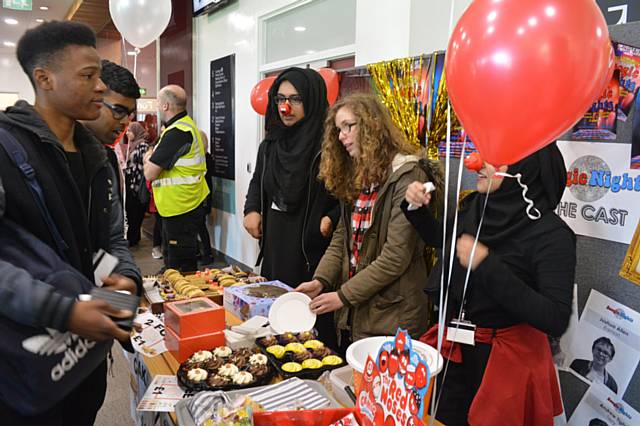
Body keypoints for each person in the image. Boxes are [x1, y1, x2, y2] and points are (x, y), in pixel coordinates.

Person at [0, 21, 140, 424]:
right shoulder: (6, 149)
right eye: (88, 75)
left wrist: (126, 278)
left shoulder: (99, 157)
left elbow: (110, 240)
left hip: (83, 361)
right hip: (24, 364)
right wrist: (62, 310)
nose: (100, 86)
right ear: (44, 78)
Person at [403, 143, 576, 425]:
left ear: (524, 171)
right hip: (457, 351)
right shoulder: (476, 208)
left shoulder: (551, 235)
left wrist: (487, 265)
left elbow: (555, 318)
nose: (476, 164)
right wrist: (415, 208)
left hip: (504, 365)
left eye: (495, 160)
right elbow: (444, 241)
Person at [296, 93, 435, 352]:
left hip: (394, 312)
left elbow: (395, 257)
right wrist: (321, 280)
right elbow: (342, 239)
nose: (341, 136)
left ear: (371, 125)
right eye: (338, 129)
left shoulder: (406, 175)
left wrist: (342, 296)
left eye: (348, 126)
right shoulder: (360, 175)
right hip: (362, 307)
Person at [243, 67, 339, 348]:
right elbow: (258, 181)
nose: (285, 107)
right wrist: (252, 208)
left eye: (295, 99)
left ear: (312, 99)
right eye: (280, 99)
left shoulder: (331, 145)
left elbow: (348, 195)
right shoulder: (271, 143)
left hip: (312, 246)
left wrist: (331, 217)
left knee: (311, 319)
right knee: (277, 311)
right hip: (276, 240)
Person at [144, 85, 209, 272]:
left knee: (180, 265)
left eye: (158, 103)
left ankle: (185, 300)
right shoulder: (183, 126)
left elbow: (149, 173)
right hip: (182, 203)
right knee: (176, 258)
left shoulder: (177, 132)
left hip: (181, 206)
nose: (157, 107)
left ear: (165, 106)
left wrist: (148, 157)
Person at [81, 59, 140, 199]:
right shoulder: (53, 156)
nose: (126, 122)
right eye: (119, 110)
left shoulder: (108, 157)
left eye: (129, 114)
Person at [123, 122, 151, 247]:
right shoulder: (131, 145)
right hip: (129, 182)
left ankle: (133, 238)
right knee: (130, 211)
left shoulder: (142, 145)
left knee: (136, 211)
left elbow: (142, 166)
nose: (127, 133)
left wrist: (137, 184)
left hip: (137, 183)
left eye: (130, 131)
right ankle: (132, 237)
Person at [197, 129, 215, 265]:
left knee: (200, 226)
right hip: (202, 196)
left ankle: (207, 254)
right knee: (198, 226)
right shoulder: (205, 157)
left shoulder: (204, 159)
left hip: (202, 197)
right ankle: (200, 252)